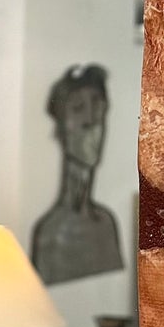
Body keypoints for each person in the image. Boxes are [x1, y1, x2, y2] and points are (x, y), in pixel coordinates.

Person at [30, 66, 122, 285]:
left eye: (98, 106)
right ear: (60, 128)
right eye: (78, 108)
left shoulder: (107, 224)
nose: (91, 120)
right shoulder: (49, 233)